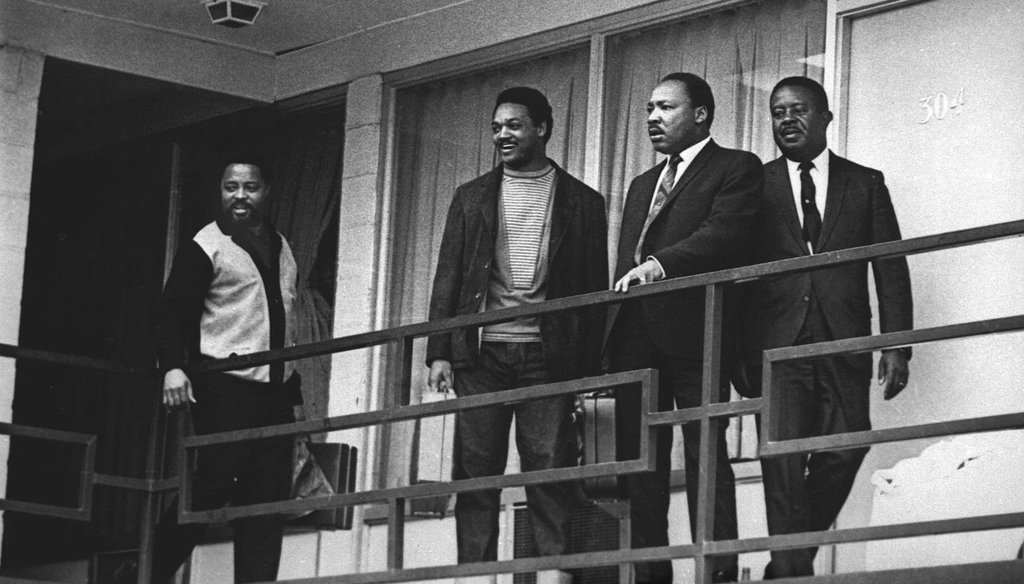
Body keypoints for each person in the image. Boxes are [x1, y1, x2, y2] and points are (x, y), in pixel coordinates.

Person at [426, 87, 607, 584]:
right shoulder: (469, 196)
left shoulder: (584, 202)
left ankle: (552, 572)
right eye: (496, 127)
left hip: (548, 356)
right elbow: (449, 276)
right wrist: (438, 353)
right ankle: (476, 575)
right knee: (476, 469)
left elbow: (593, 288)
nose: (502, 135)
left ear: (542, 129)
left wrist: (589, 367)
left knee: (548, 465)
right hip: (480, 357)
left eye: (514, 125)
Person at [740, 76, 913, 579]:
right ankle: (794, 574)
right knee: (782, 463)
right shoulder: (756, 184)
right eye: (777, 112)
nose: (786, 120)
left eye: (797, 110)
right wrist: (738, 359)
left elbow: (889, 264)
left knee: (849, 443)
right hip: (777, 347)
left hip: (844, 338)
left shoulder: (865, 183)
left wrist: (896, 345)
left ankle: (786, 566)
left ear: (825, 118)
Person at [607, 72, 763, 583]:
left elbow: (724, 235)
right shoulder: (639, 185)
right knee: (640, 466)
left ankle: (716, 572)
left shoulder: (735, 167)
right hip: (635, 339)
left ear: (700, 114)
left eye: (666, 108)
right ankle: (652, 577)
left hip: (700, 333)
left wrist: (657, 265)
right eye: (649, 108)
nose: (652, 118)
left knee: (705, 457)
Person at [152, 155, 301, 583]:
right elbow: (172, 312)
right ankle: (147, 574)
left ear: (266, 190)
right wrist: (173, 368)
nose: (239, 196)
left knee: (267, 501)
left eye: (250, 187)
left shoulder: (282, 244)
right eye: (230, 186)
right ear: (221, 191)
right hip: (224, 386)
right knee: (213, 486)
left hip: (274, 392)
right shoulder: (206, 243)